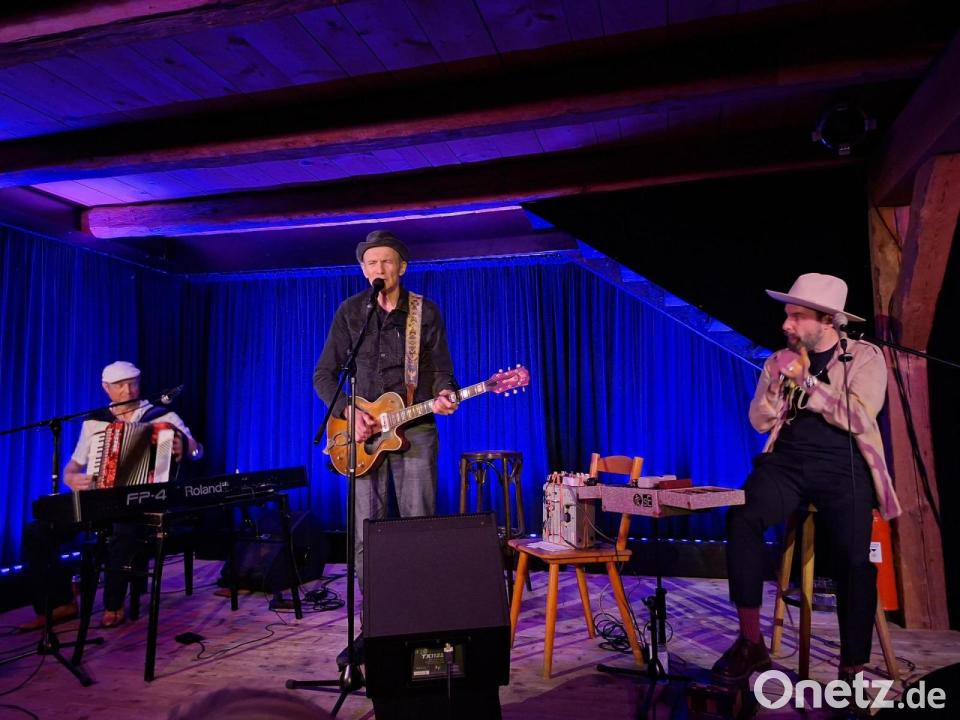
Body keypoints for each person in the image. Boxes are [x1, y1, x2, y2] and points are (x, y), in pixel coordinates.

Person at [712, 273, 901, 687]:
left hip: (844, 464)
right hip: (787, 463)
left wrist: (807, 381)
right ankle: (751, 643)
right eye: (787, 315)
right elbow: (759, 421)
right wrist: (774, 386)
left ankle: (851, 668)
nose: (787, 324)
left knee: (855, 559)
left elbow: (858, 417)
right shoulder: (778, 359)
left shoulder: (864, 357)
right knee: (742, 519)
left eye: (797, 316)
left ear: (827, 320)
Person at [312, 230, 459, 662]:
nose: (380, 269)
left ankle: (420, 623)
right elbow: (324, 375)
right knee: (366, 533)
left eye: (387, 261)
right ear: (364, 270)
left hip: (415, 426)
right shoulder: (350, 312)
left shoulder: (424, 311)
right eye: (372, 263)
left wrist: (446, 392)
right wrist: (349, 410)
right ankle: (374, 624)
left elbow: (442, 370)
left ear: (402, 267)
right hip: (363, 437)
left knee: (418, 526)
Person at [19, 360, 203, 631]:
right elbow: (73, 467)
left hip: (141, 503)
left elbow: (198, 452)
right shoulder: (94, 422)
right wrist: (71, 478)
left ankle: (113, 605)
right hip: (99, 501)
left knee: (124, 530)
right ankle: (60, 603)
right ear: (106, 388)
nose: (128, 390)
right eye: (120, 385)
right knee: (37, 531)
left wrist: (187, 447)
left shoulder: (162, 417)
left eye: (133, 383)